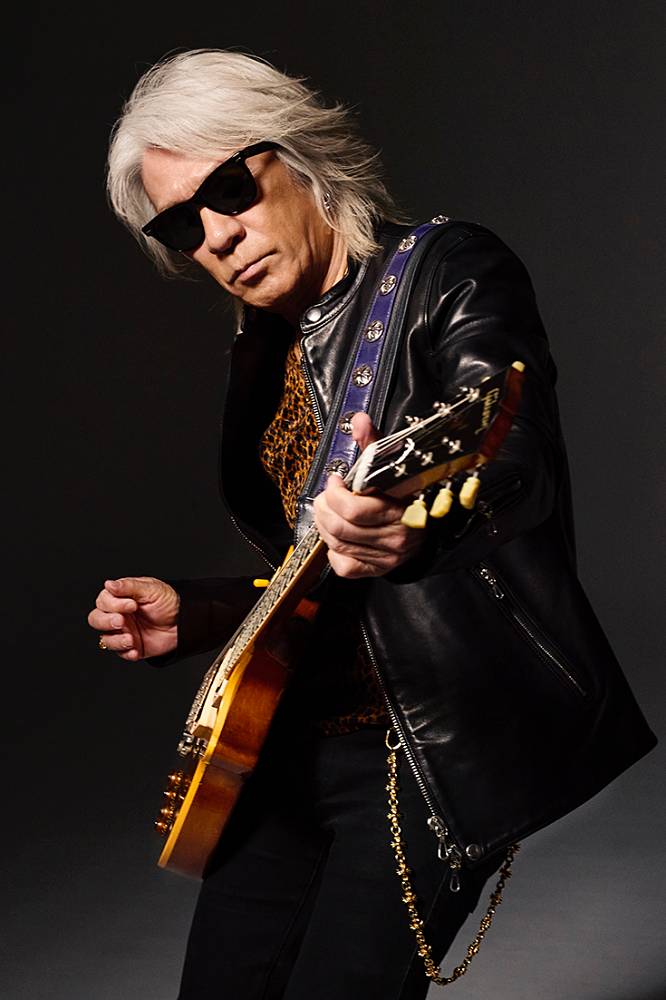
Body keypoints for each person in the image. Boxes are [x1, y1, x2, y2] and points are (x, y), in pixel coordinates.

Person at [88, 49, 656, 1000]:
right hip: (286, 745)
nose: (218, 236)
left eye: (230, 190)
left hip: (425, 746)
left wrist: (416, 534)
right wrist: (204, 611)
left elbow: (516, 460)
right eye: (184, 224)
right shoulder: (264, 347)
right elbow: (314, 571)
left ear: (298, 157)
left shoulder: (449, 270)